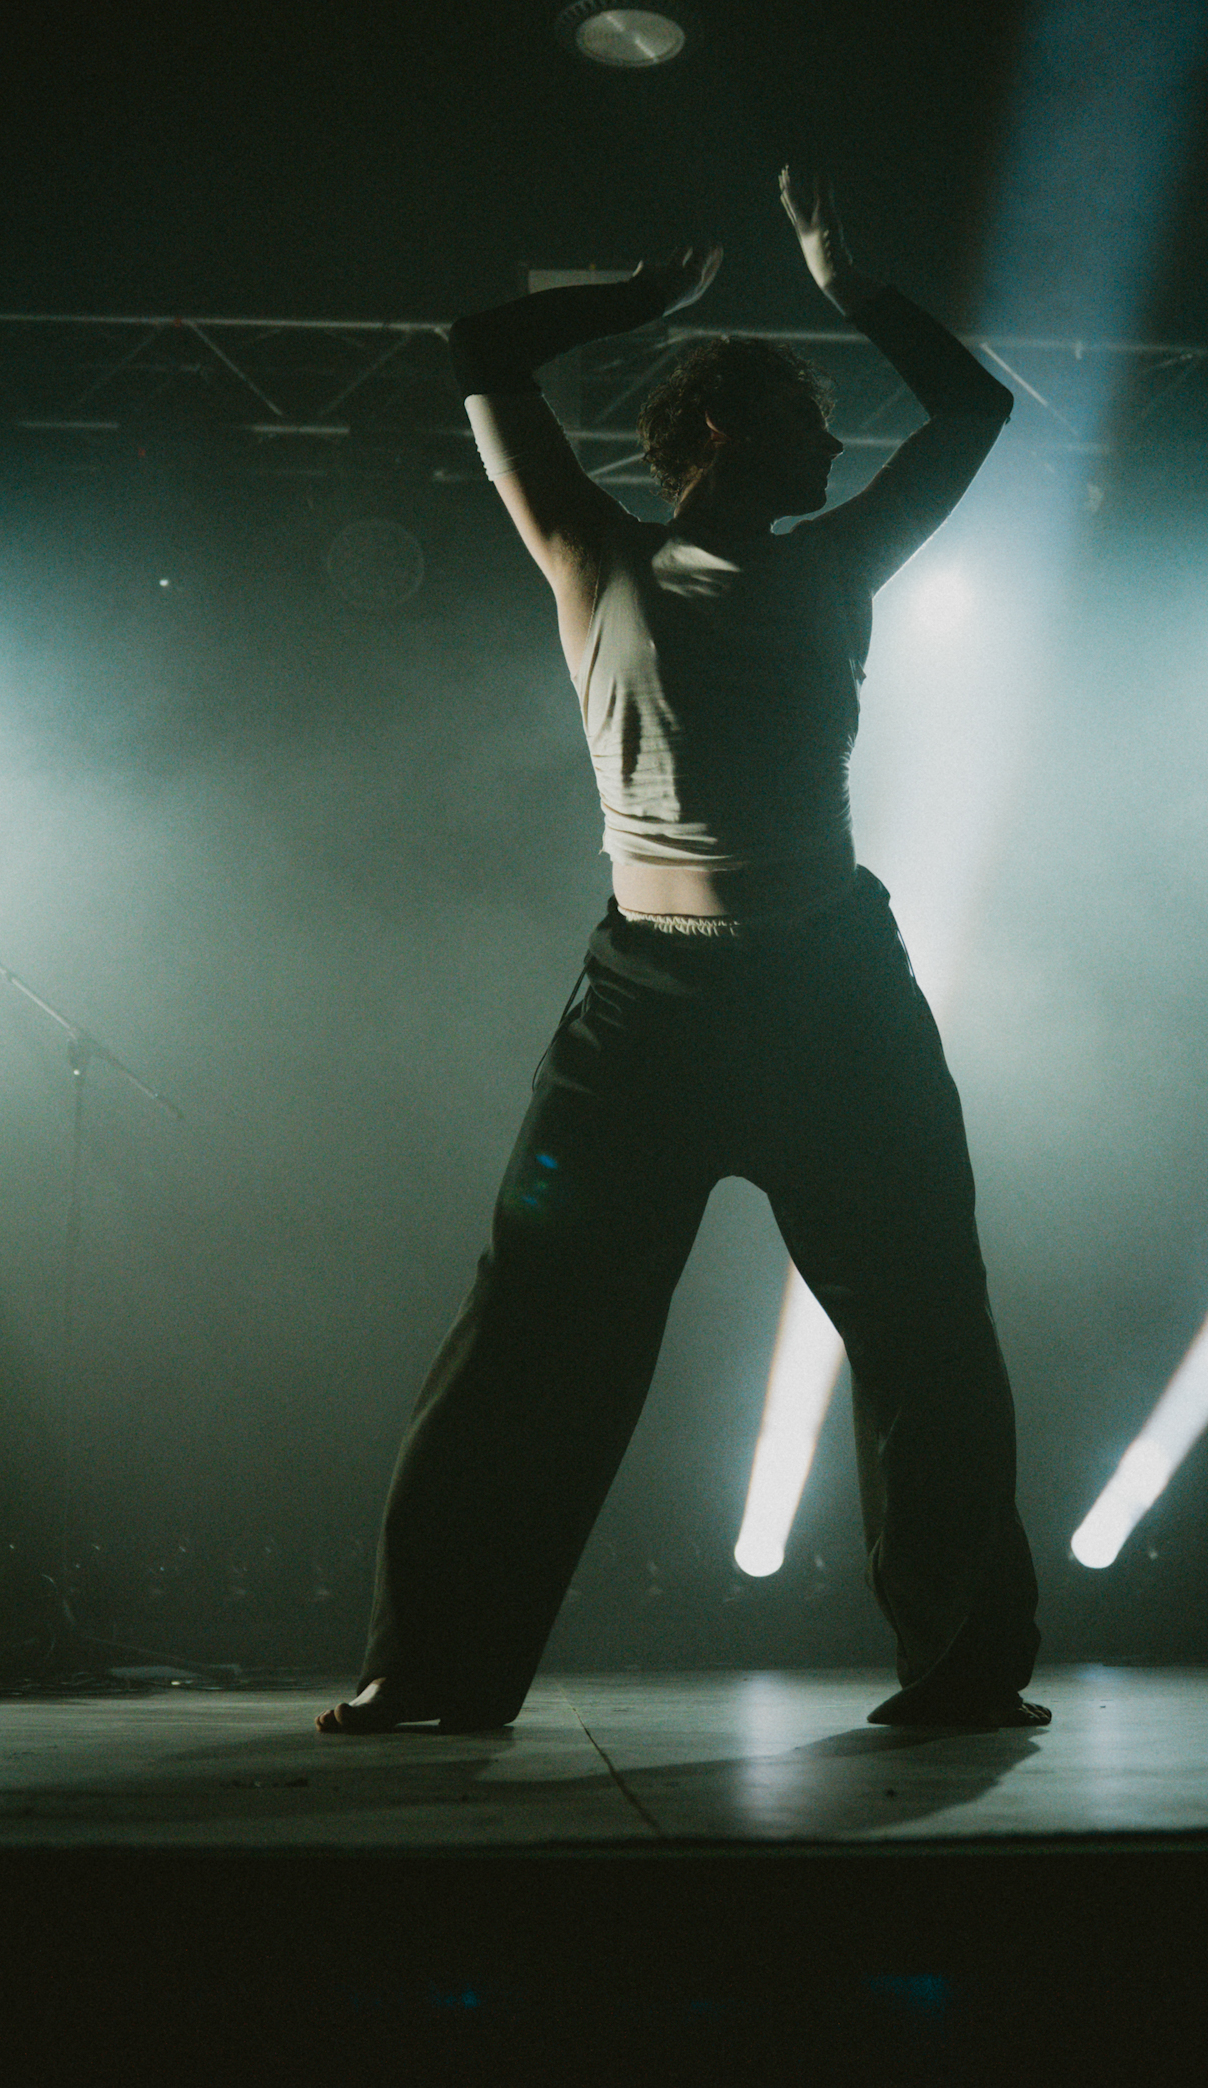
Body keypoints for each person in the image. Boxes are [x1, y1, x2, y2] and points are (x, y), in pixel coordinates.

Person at [319, 170, 1044, 1734]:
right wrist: (637, 302)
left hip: (832, 994)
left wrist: (855, 287)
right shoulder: (595, 552)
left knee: (923, 1319)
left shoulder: (841, 559)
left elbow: (975, 410)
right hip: (647, 1005)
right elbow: (482, 345)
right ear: (717, 430)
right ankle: (430, 1665)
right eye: (804, 423)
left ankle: (967, 1669)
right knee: (528, 1338)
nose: (834, 450)